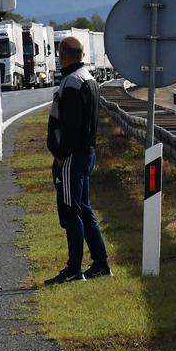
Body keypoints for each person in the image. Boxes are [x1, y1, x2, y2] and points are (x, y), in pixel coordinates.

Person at [44, 35, 109, 284]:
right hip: (87, 153)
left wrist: (61, 155)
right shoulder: (89, 78)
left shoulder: (71, 81)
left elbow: (70, 124)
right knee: (84, 209)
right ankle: (101, 263)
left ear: (63, 56)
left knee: (71, 212)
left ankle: (74, 269)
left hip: (72, 156)